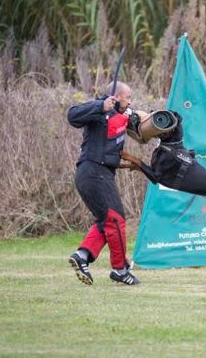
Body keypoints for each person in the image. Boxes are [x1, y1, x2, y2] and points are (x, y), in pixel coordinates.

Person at [67, 81, 140, 286]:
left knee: (107, 220)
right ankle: (120, 270)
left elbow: (142, 126)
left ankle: (82, 256)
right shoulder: (99, 111)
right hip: (93, 172)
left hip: (100, 175)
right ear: (116, 97)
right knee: (115, 219)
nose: (130, 101)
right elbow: (72, 115)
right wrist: (100, 106)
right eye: (128, 97)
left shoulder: (123, 115)